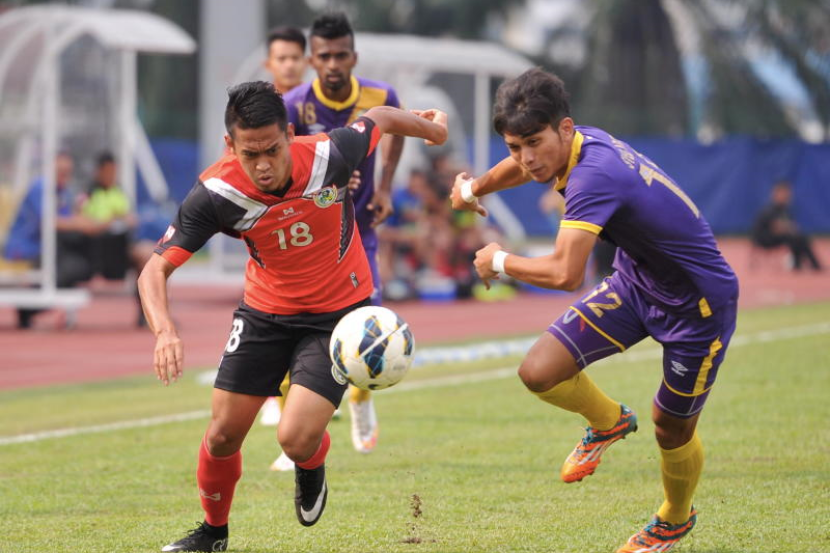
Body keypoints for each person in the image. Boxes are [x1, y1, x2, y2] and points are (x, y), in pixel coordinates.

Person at [137, 81, 446, 553]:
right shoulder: (217, 192)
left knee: (295, 439)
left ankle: (310, 464)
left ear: (289, 134)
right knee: (221, 436)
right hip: (264, 315)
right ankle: (213, 534)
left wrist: (433, 131)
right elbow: (154, 270)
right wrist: (164, 332)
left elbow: (380, 117)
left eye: (273, 150)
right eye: (250, 154)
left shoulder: (328, 155)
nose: (263, 164)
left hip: (337, 316)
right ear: (230, 145)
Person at [450, 68, 738, 553]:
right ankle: (609, 421)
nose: (526, 157)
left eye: (534, 143)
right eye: (514, 146)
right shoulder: (576, 144)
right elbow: (526, 168)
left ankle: (674, 518)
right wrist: (475, 188)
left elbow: (566, 273)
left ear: (564, 129)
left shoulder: (594, 177)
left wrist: (497, 260)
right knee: (539, 371)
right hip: (637, 283)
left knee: (670, 426)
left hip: (698, 306)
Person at [283, 12, 405, 457]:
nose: (333, 64)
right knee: (293, 327)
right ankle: (294, 427)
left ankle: (361, 398)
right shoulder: (293, 105)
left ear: (354, 57)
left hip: (361, 228)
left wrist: (385, 186)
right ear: (312, 61)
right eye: (324, 56)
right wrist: (327, 182)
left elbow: (395, 132)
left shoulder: (381, 97)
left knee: (366, 318)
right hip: (311, 236)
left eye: (340, 55)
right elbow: (285, 164)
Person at [257, 24, 309, 436]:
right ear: (269, 63)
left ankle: (310, 393)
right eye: (282, 58)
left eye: (295, 58)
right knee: (270, 309)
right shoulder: (255, 112)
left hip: (313, 224)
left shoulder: (311, 109)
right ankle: (274, 395)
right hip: (270, 228)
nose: (288, 65)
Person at [4, 151, 107, 328]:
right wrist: (80, 223)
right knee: (73, 265)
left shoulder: (61, 192)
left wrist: (88, 221)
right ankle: (28, 308)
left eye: (67, 172)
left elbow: (68, 219)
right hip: (25, 247)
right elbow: (50, 221)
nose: (64, 176)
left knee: (78, 262)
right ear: (50, 168)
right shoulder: (41, 187)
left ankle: (30, 308)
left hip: (45, 248)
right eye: (61, 171)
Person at [751, 180, 821, 271]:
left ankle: (808, 264)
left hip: (780, 237)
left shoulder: (785, 210)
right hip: (764, 240)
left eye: (787, 193)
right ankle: (801, 264)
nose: (786, 196)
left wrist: (792, 229)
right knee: (794, 238)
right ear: (775, 194)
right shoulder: (769, 210)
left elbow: (791, 226)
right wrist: (789, 229)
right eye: (783, 193)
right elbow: (776, 228)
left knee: (800, 238)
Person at [263, 26, 307, 95]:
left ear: (306, 62)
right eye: (281, 58)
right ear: (268, 64)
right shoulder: (258, 100)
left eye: (295, 58)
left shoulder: (317, 99)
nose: (290, 65)